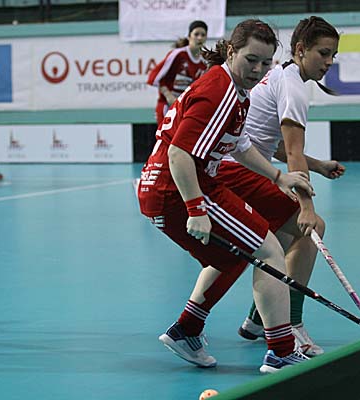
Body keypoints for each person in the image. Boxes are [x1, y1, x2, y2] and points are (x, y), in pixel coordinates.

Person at [137, 19, 313, 374]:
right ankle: (281, 351)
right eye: (251, 60)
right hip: (176, 189)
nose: (258, 70)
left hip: (178, 186)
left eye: (265, 63)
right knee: (269, 250)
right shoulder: (220, 90)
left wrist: (278, 176)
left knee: (234, 255)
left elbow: (239, 144)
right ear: (231, 51)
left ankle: (187, 330)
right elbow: (179, 153)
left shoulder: (235, 90)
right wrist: (196, 209)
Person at [215, 16, 344, 356]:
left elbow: (270, 145)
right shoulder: (293, 86)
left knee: (281, 238)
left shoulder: (281, 75)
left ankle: (258, 320)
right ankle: (291, 325)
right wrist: (307, 208)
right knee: (310, 228)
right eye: (323, 53)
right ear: (300, 49)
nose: (329, 62)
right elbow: (292, 152)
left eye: (333, 55)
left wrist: (319, 165)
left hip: (234, 167)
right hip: (234, 170)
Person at [147, 20, 208, 125]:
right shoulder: (178, 55)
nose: (199, 38)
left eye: (203, 35)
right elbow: (154, 77)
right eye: (196, 34)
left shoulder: (204, 63)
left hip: (187, 110)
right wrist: (169, 96)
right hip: (168, 107)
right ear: (189, 36)